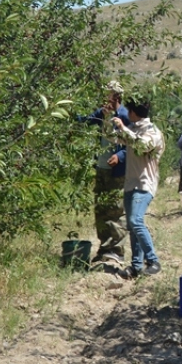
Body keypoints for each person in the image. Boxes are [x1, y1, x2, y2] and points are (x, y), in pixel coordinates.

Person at [111, 98, 165, 278]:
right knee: (132, 226)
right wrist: (107, 120)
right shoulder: (133, 129)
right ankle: (136, 266)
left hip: (144, 183)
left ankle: (153, 260)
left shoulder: (153, 132)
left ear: (134, 112)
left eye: (129, 110)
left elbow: (141, 145)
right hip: (131, 183)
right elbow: (113, 137)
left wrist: (123, 128)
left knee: (135, 221)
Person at [78, 81, 129, 264]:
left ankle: (117, 250)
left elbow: (133, 143)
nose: (104, 100)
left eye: (107, 95)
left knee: (115, 210)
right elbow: (86, 120)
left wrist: (120, 156)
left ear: (115, 97)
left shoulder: (124, 116)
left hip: (116, 172)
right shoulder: (103, 114)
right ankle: (104, 247)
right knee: (100, 209)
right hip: (101, 169)